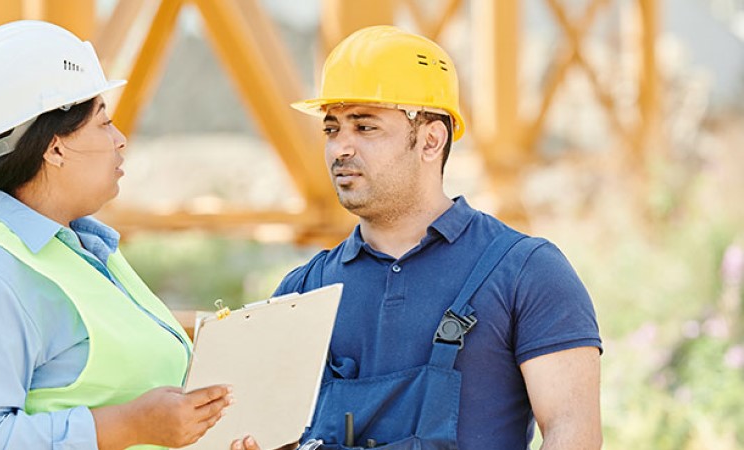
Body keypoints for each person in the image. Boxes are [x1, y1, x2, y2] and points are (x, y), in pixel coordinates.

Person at [233, 26, 602, 450]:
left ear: (431, 140)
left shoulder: (527, 272)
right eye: (332, 129)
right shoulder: (301, 291)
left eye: (365, 127)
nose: (340, 149)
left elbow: (573, 435)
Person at [0, 20, 234, 450]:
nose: (120, 140)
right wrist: (129, 425)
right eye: (104, 123)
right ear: (54, 146)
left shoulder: (85, 250)